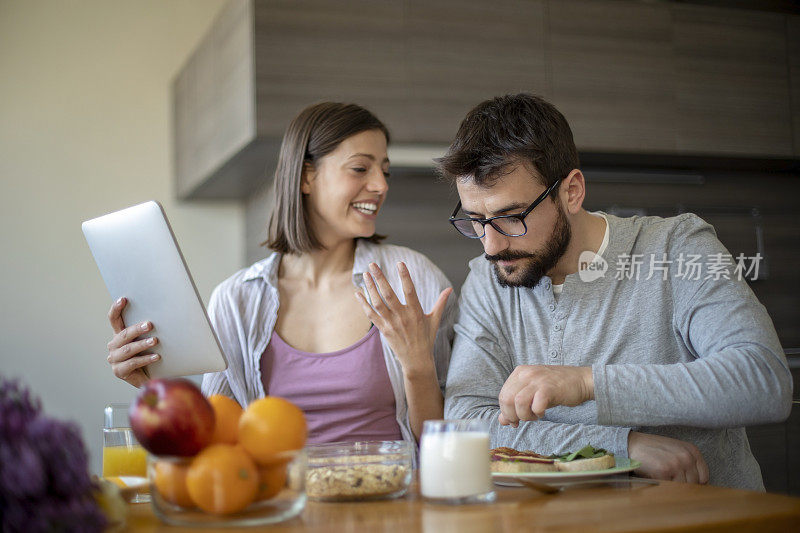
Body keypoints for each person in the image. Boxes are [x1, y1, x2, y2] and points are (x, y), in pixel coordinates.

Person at [439, 93, 792, 490]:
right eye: (475, 221)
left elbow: (764, 380)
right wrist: (620, 446)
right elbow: (465, 421)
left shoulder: (675, 247)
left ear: (571, 192)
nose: (490, 246)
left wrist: (588, 383)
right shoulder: (488, 280)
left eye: (510, 217)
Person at [106, 102, 455, 448]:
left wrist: (418, 367)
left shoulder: (412, 280)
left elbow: (448, 443)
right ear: (306, 177)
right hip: (281, 502)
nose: (381, 185)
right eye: (361, 168)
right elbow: (215, 440)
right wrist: (151, 389)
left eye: (385, 171)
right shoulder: (237, 300)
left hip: (392, 499)